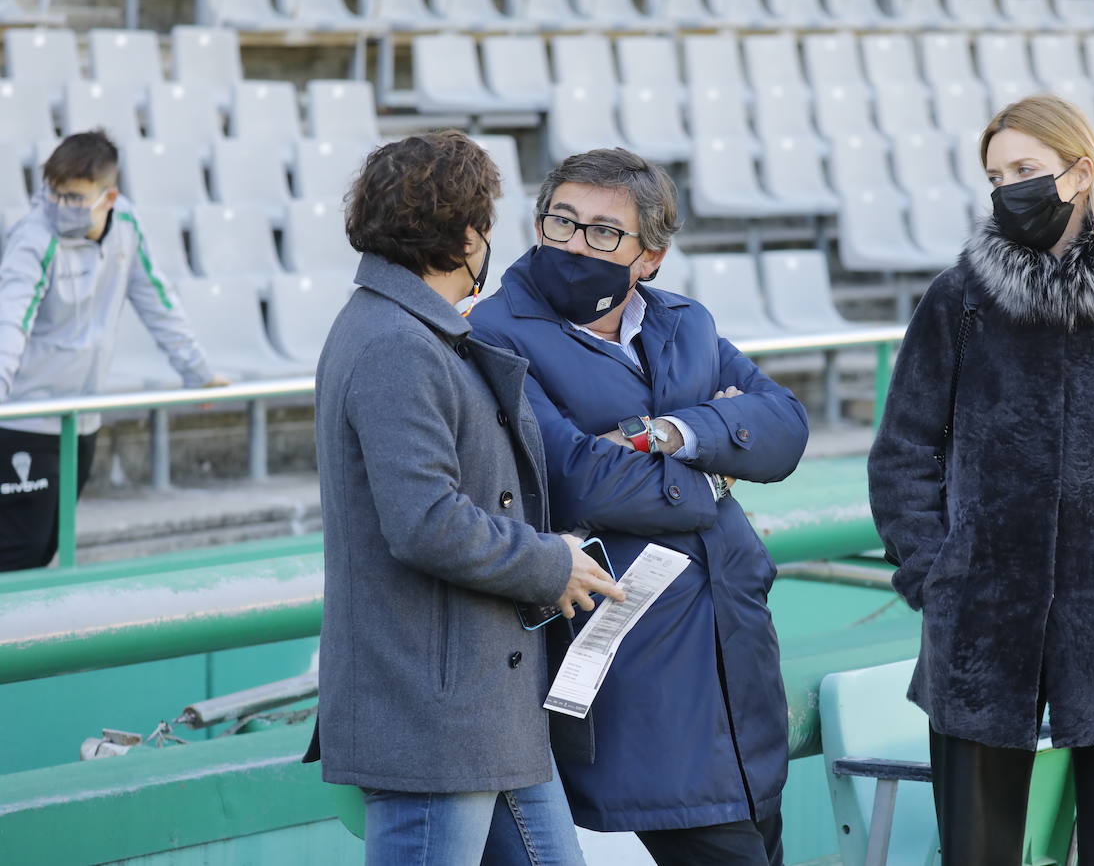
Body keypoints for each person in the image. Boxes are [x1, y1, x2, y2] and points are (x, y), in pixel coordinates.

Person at [868, 95, 1094, 865]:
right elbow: (902, 453)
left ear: (1079, 173)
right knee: (978, 852)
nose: (1009, 188)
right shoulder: (957, 298)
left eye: (1026, 170)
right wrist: (935, 576)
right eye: (996, 175)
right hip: (978, 619)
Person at [469, 147, 809, 866]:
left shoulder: (686, 323)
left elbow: (784, 428)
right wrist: (715, 475)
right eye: (562, 221)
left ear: (649, 257)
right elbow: (577, 479)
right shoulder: (497, 333)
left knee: (761, 835)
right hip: (636, 658)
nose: (575, 243)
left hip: (736, 650)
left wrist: (668, 434)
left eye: (602, 232)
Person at [306, 130, 625, 866]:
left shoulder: (413, 330)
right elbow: (425, 521)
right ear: (465, 232)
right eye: (485, 218)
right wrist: (552, 565)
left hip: (484, 709)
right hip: (432, 713)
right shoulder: (393, 341)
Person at [0, 130, 228, 572]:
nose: (59, 206)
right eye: (54, 193)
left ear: (108, 197)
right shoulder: (32, 237)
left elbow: (157, 301)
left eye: (73, 197)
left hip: (83, 419)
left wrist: (197, 372)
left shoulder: (126, 226)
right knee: (18, 554)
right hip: (25, 420)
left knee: (47, 547)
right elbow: (11, 318)